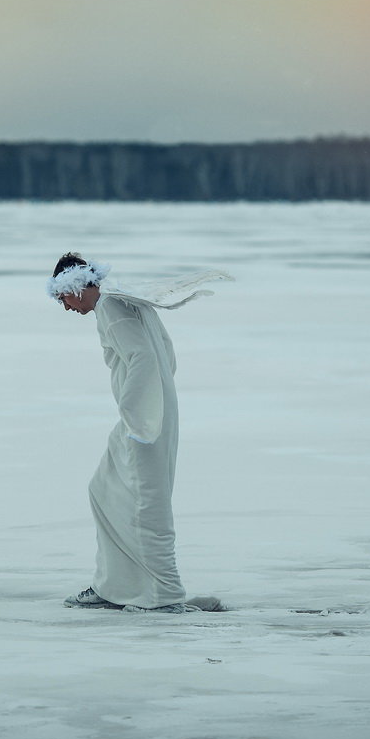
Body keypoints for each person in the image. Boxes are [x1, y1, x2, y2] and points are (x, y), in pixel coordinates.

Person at [47, 252, 230, 613]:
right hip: (153, 412)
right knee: (104, 489)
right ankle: (114, 586)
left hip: (145, 419)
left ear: (75, 288)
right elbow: (167, 353)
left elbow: (144, 357)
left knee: (149, 507)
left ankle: (165, 596)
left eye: (62, 297)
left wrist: (136, 412)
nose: (64, 307)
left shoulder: (110, 308)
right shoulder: (123, 300)